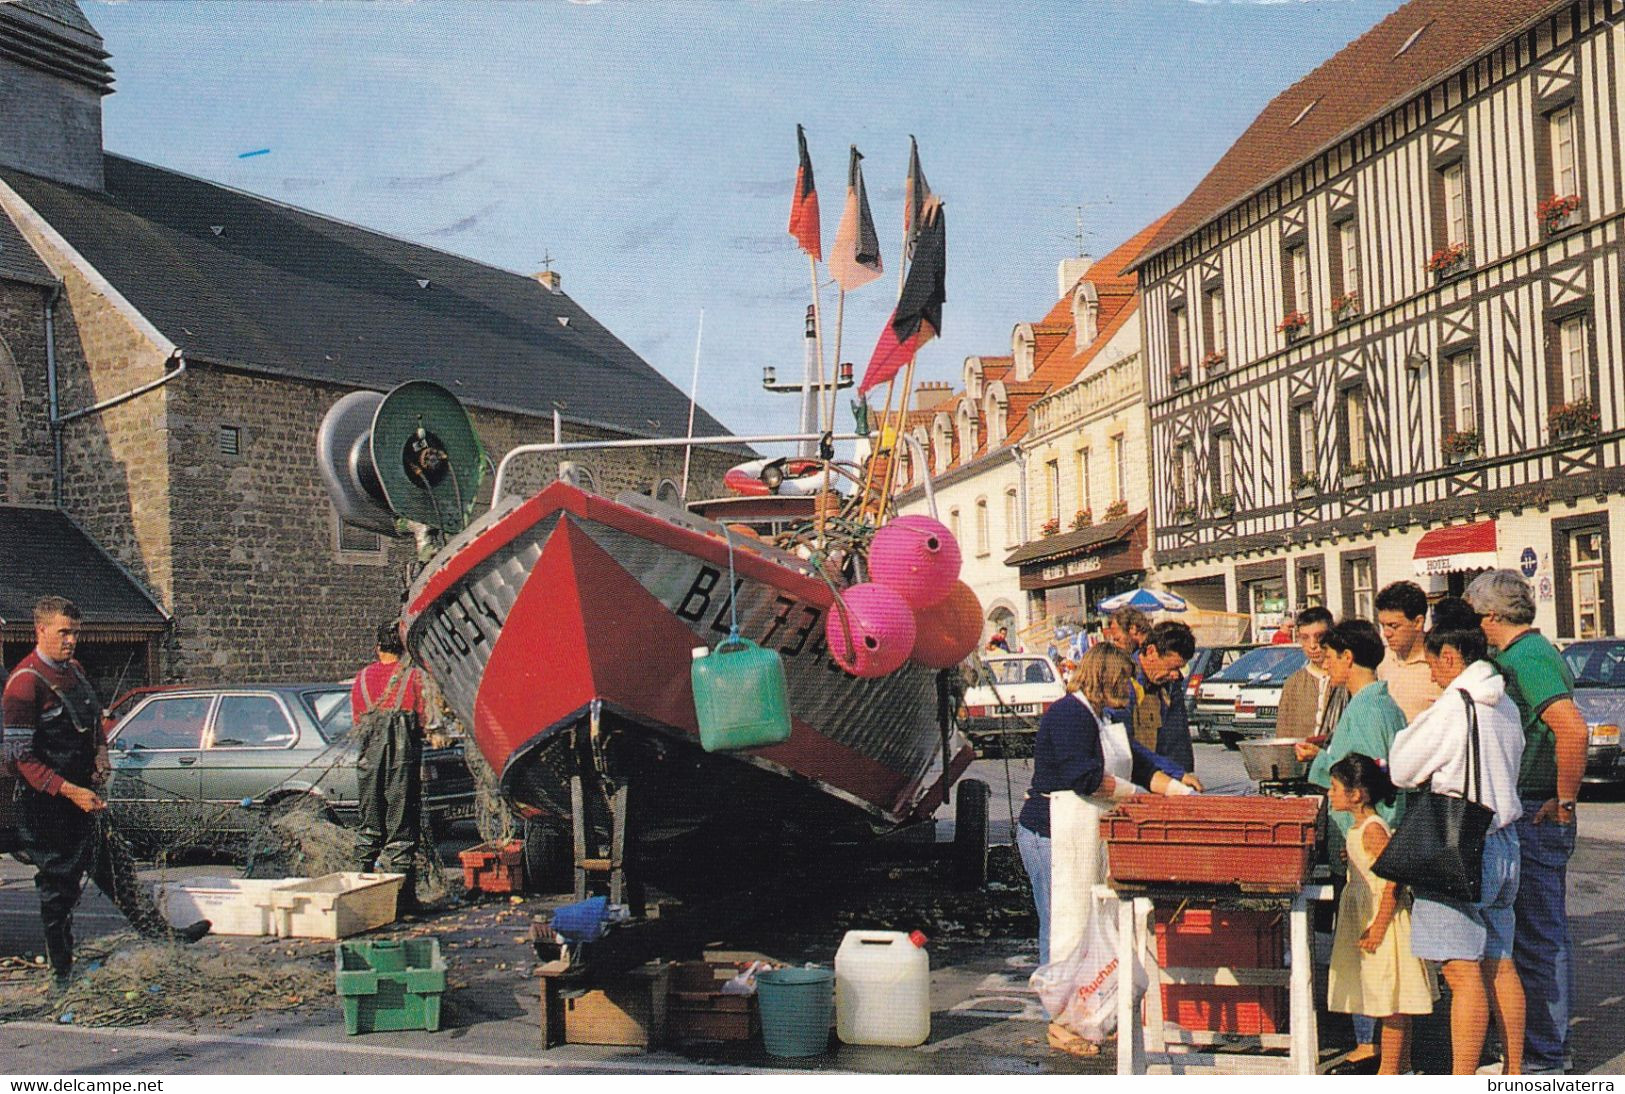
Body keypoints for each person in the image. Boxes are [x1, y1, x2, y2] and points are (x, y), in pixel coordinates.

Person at [3, 596, 209, 987]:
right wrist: (69, 792)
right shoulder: (24, 683)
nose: (71, 641)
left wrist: (101, 755)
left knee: (117, 869)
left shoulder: (76, 671)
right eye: (64, 633)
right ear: (41, 630)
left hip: (84, 795)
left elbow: (95, 721)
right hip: (45, 806)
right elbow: (20, 760)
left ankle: (165, 937)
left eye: (75, 633)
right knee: (59, 887)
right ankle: (62, 973)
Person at [1017, 643, 1200, 1055]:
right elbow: (1086, 780)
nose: (1130, 691)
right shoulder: (1068, 714)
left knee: (1092, 927)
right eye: (1122, 683)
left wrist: (1174, 789)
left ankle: (1087, 1015)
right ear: (1102, 679)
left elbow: (1138, 762)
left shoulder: (1104, 717)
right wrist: (1139, 796)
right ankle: (1059, 1022)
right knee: (1064, 926)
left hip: (1084, 834)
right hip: (1051, 833)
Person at [1388, 604, 1527, 1075]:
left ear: (1450, 655)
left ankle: (1462, 1079)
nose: (1431, 676)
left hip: (1459, 846)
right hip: (1506, 843)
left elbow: (1404, 768)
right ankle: (1513, 1074)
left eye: (1432, 664)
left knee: (1461, 974)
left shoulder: (1453, 706)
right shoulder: (1506, 703)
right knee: (1500, 965)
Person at [1465, 570, 1586, 1075]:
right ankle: (1533, 1051)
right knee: (1525, 937)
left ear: (1491, 617)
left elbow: (1572, 731)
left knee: (1537, 939)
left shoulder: (1529, 658)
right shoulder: (1518, 656)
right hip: (1527, 806)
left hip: (1538, 807)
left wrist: (1563, 800)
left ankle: (1543, 1061)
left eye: (1475, 618)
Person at [1296, 618, 1409, 1069]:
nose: (1324, 660)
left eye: (1330, 653)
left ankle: (1372, 1046)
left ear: (1348, 658)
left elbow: (1362, 777)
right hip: (1376, 840)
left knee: (1373, 947)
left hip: (1369, 848)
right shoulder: (1381, 703)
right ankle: (1377, 1045)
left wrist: (1322, 760)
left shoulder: (1364, 708)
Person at [1325, 753, 1436, 1076]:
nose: (1330, 794)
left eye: (1334, 788)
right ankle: (1402, 1069)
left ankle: (1388, 1073)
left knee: (1392, 1005)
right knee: (1393, 1001)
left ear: (1356, 794)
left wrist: (1379, 926)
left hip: (1381, 921)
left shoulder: (1373, 830)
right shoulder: (1361, 829)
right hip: (1368, 915)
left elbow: (1394, 877)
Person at [351, 620, 429, 909]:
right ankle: (401, 903)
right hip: (402, 761)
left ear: (377, 648)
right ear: (403, 648)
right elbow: (422, 721)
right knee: (401, 831)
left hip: (369, 763)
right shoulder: (414, 678)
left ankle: (358, 900)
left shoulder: (361, 679)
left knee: (369, 829)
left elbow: (359, 721)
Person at [1129, 620, 1198, 773]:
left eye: (1180, 668)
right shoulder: (1123, 681)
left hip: (1158, 778)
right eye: (1172, 667)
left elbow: (1177, 742)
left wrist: (1181, 779)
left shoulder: (1170, 686)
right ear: (1151, 651)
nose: (1175, 675)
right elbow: (1122, 743)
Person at [1276, 606, 1347, 740]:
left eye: (1319, 636)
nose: (1313, 645)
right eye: (1305, 638)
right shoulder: (1294, 683)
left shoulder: (1346, 678)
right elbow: (1283, 734)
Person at [1376, 581, 1441, 723]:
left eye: (1393, 626)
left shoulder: (1438, 667)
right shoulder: (1382, 662)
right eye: (1382, 625)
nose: (1386, 633)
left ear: (1418, 622)